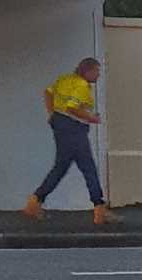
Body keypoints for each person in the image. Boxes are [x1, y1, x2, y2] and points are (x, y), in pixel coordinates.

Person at [22, 57, 121, 225]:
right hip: (75, 130)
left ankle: (35, 202)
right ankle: (99, 210)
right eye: (96, 71)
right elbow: (72, 107)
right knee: (88, 168)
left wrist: (51, 114)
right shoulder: (82, 86)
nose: (98, 75)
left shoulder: (65, 79)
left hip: (60, 127)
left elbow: (48, 92)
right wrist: (92, 118)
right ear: (88, 71)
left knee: (60, 167)